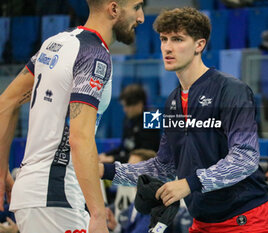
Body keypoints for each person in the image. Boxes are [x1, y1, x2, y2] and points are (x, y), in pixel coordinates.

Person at [101, 7, 268, 232]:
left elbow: (245, 158)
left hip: (245, 220)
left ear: (199, 45)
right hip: (202, 221)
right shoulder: (172, 101)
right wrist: (106, 171)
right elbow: (163, 167)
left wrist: (190, 183)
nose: (167, 47)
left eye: (177, 39)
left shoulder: (232, 89)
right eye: (164, 39)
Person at [0, 0, 144, 232]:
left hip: (36, 189)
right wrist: (97, 214)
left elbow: (5, 103)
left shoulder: (56, 42)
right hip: (55, 194)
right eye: (137, 7)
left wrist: (1, 170)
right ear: (114, 9)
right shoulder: (95, 56)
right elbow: (79, 137)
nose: (141, 18)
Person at [99, 85, 160, 164]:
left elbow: (145, 155)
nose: (125, 109)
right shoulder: (128, 119)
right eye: (124, 106)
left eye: (127, 106)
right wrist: (105, 155)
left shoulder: (151, 119)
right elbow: (123, 147)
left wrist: (113, 158)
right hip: (127, 162)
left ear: (139, 104)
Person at [105, 149, 157, 233]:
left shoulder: (154, 202)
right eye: (127, 167)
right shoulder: (137, 198)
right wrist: (116, 227)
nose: (127, 171)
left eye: (133, 167)